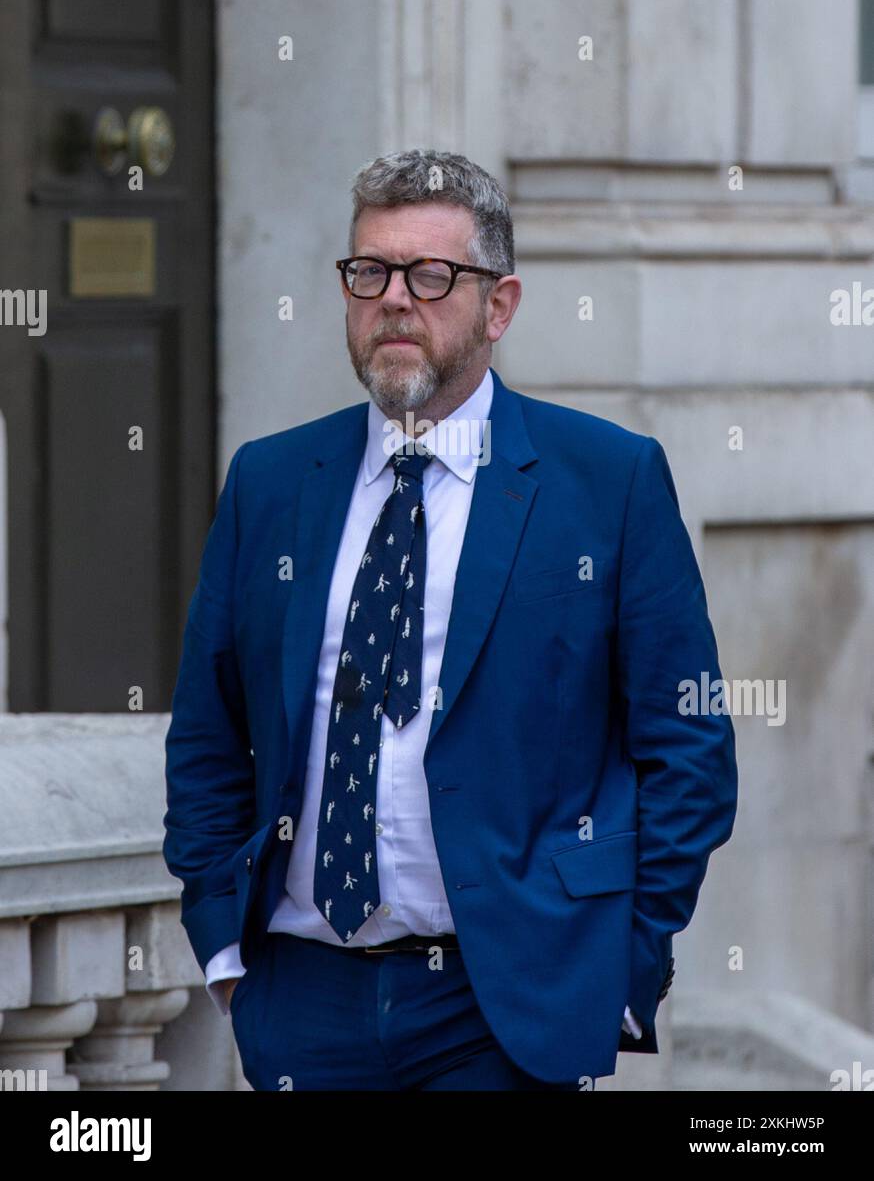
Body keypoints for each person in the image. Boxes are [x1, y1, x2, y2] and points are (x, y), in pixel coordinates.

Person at [163, 148, 737, 1091]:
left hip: (503, 1011)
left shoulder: (607, 482)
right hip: (301, 1003)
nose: (395, 299)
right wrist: (225, 956)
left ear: (498, 306)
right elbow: (208, 731)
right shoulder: (270, 482)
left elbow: (689, 747)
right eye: (369, 272)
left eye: (432, 276)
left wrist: (622, 972)